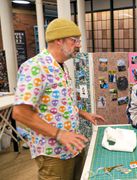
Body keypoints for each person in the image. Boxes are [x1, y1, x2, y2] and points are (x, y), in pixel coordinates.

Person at [12, 18, 106, 180]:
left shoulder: (61, 66)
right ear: (58, 41)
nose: (79, 45)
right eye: (74, 40)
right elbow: (20, 113)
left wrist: (84, 114)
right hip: (52, 152)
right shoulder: (35, 67)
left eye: (79, 40)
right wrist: (59, 134)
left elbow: (61, 103)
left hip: (73, 145)